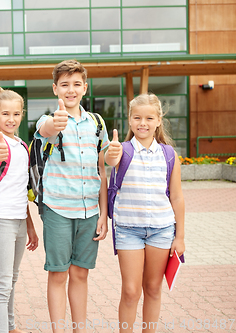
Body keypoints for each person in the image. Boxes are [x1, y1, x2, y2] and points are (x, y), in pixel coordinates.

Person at [34, 59, 109, 332]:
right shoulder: (48, 120)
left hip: (90, 211)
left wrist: (104, 214)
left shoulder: (96, 124)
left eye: (76, 84)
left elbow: (101, 170)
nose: (71, 90)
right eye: (64, 84)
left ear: (85, 88)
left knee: (80, 273)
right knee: (58, 274)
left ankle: (80, 329)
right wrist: (57, 122)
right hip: (57, 210)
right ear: (55, 88)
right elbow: (47, 130)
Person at [105, 93, 185, 333]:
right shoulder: (122, 151)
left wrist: (179, 237)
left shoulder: (169, 155)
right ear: (129, 120)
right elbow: (108, 160)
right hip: (129, 230)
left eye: (149, 118)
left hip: (162, 231)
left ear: (159, 120)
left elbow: (177, 197)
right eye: (137, 117)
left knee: (152, 289)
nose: (143, 123)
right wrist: (111, 153)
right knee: (130, 290)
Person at [0, 86, 39, 333]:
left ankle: (11, 326)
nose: (11, 119)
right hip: (0, 219)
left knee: (12, 280)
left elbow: (20, 189)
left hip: (18, 219)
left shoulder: (21, 145)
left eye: (16, 114)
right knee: (2, 284)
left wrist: (30, 226)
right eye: (5, 114)